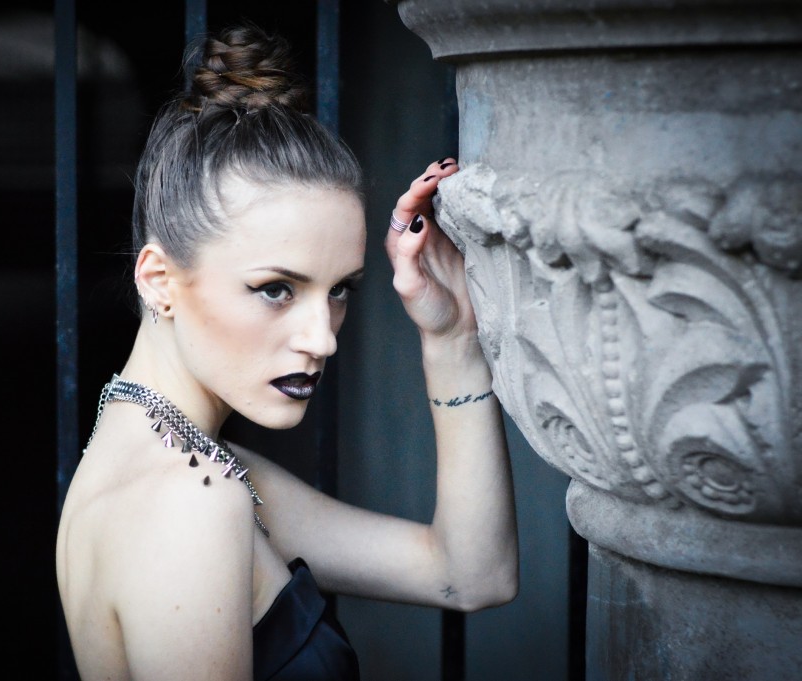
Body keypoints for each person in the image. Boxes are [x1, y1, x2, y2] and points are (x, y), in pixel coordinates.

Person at [55, 22, 517, 681]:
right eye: (276, 289)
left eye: (340, 290)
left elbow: (471, 574)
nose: (323, 338)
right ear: (158, 280)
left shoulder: (184, 465)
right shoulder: (192, 498)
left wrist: (453, 338)